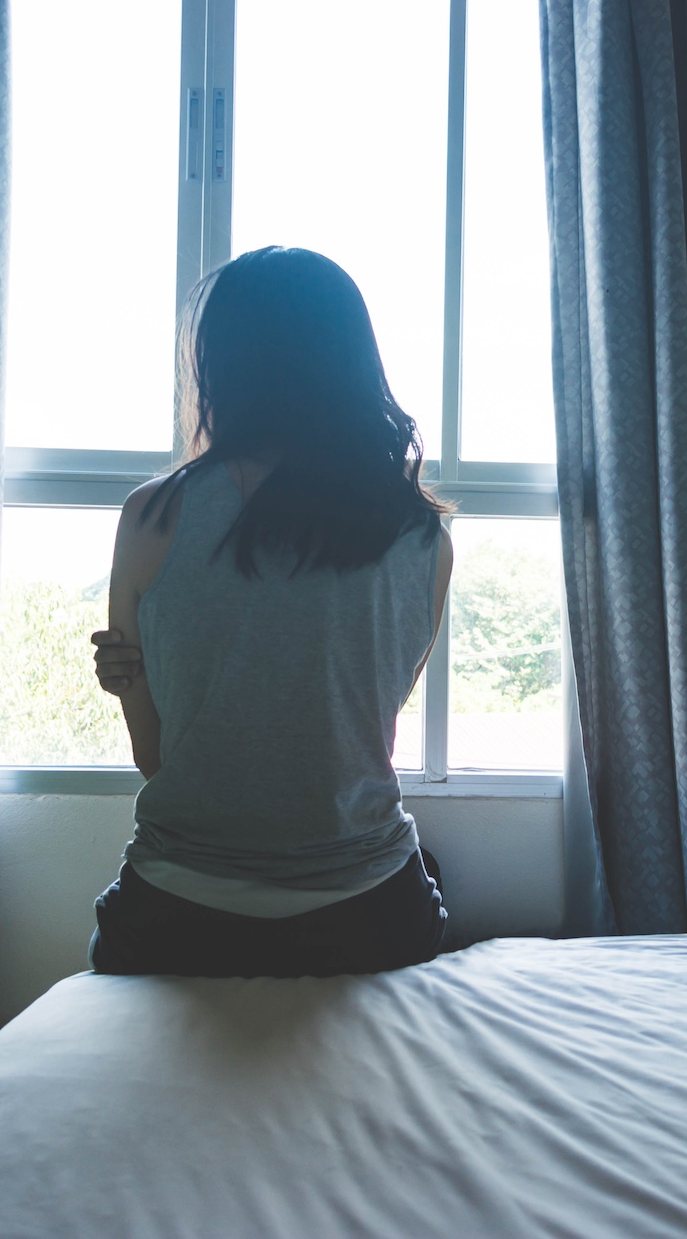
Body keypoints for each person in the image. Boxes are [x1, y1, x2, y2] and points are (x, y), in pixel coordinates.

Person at [86, 246, 453, 979]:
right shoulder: (422, 536)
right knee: (428, 867)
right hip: (367, 915)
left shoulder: (152, 515)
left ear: (220, 364)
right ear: (354, 362)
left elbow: (158, 761)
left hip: (179, 915)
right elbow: (358, 729)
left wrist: (134, 679)